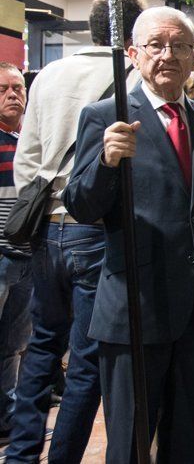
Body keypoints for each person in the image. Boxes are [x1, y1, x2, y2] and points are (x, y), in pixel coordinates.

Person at [63, 6, 194, 462]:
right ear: (133, 53)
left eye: (180, 46)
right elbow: (81, 206)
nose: (168, 55)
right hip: (135, 307)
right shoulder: (106, 117)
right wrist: (106, 163)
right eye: (156, 45)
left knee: (189, 442)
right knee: (129, 444)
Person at [8, 0, 145, 463]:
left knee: (42, 345)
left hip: (47, 230)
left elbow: (27, 158)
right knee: (88, 358)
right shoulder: (130, 77)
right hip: (97, 232)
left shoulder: (48, 75)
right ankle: (62, 457)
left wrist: (47, 204)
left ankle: (22, 454)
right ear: (135, 36)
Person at [0, 63, 30, 446]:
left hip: (25, 257)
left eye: (18, 87)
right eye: (4, 87)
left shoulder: (25, 141)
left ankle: (6, 417)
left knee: (14, 343)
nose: (13, 94)